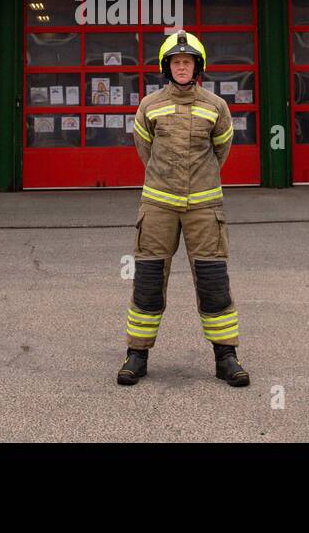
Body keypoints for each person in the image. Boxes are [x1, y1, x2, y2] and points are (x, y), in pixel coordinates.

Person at [117, 30, 249, 387]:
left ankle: (226, 358)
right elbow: (144, 150)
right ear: (166, 66)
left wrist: (198, 181)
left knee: (213, 281)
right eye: (175, 62)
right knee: (147, 280)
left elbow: (221, 150)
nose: (181, 67)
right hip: (158, 205)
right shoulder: (149, 105)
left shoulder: (216, 106)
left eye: (187, 62)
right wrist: (168, 181)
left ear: (197, 66)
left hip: (205, 207)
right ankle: (137, 355)